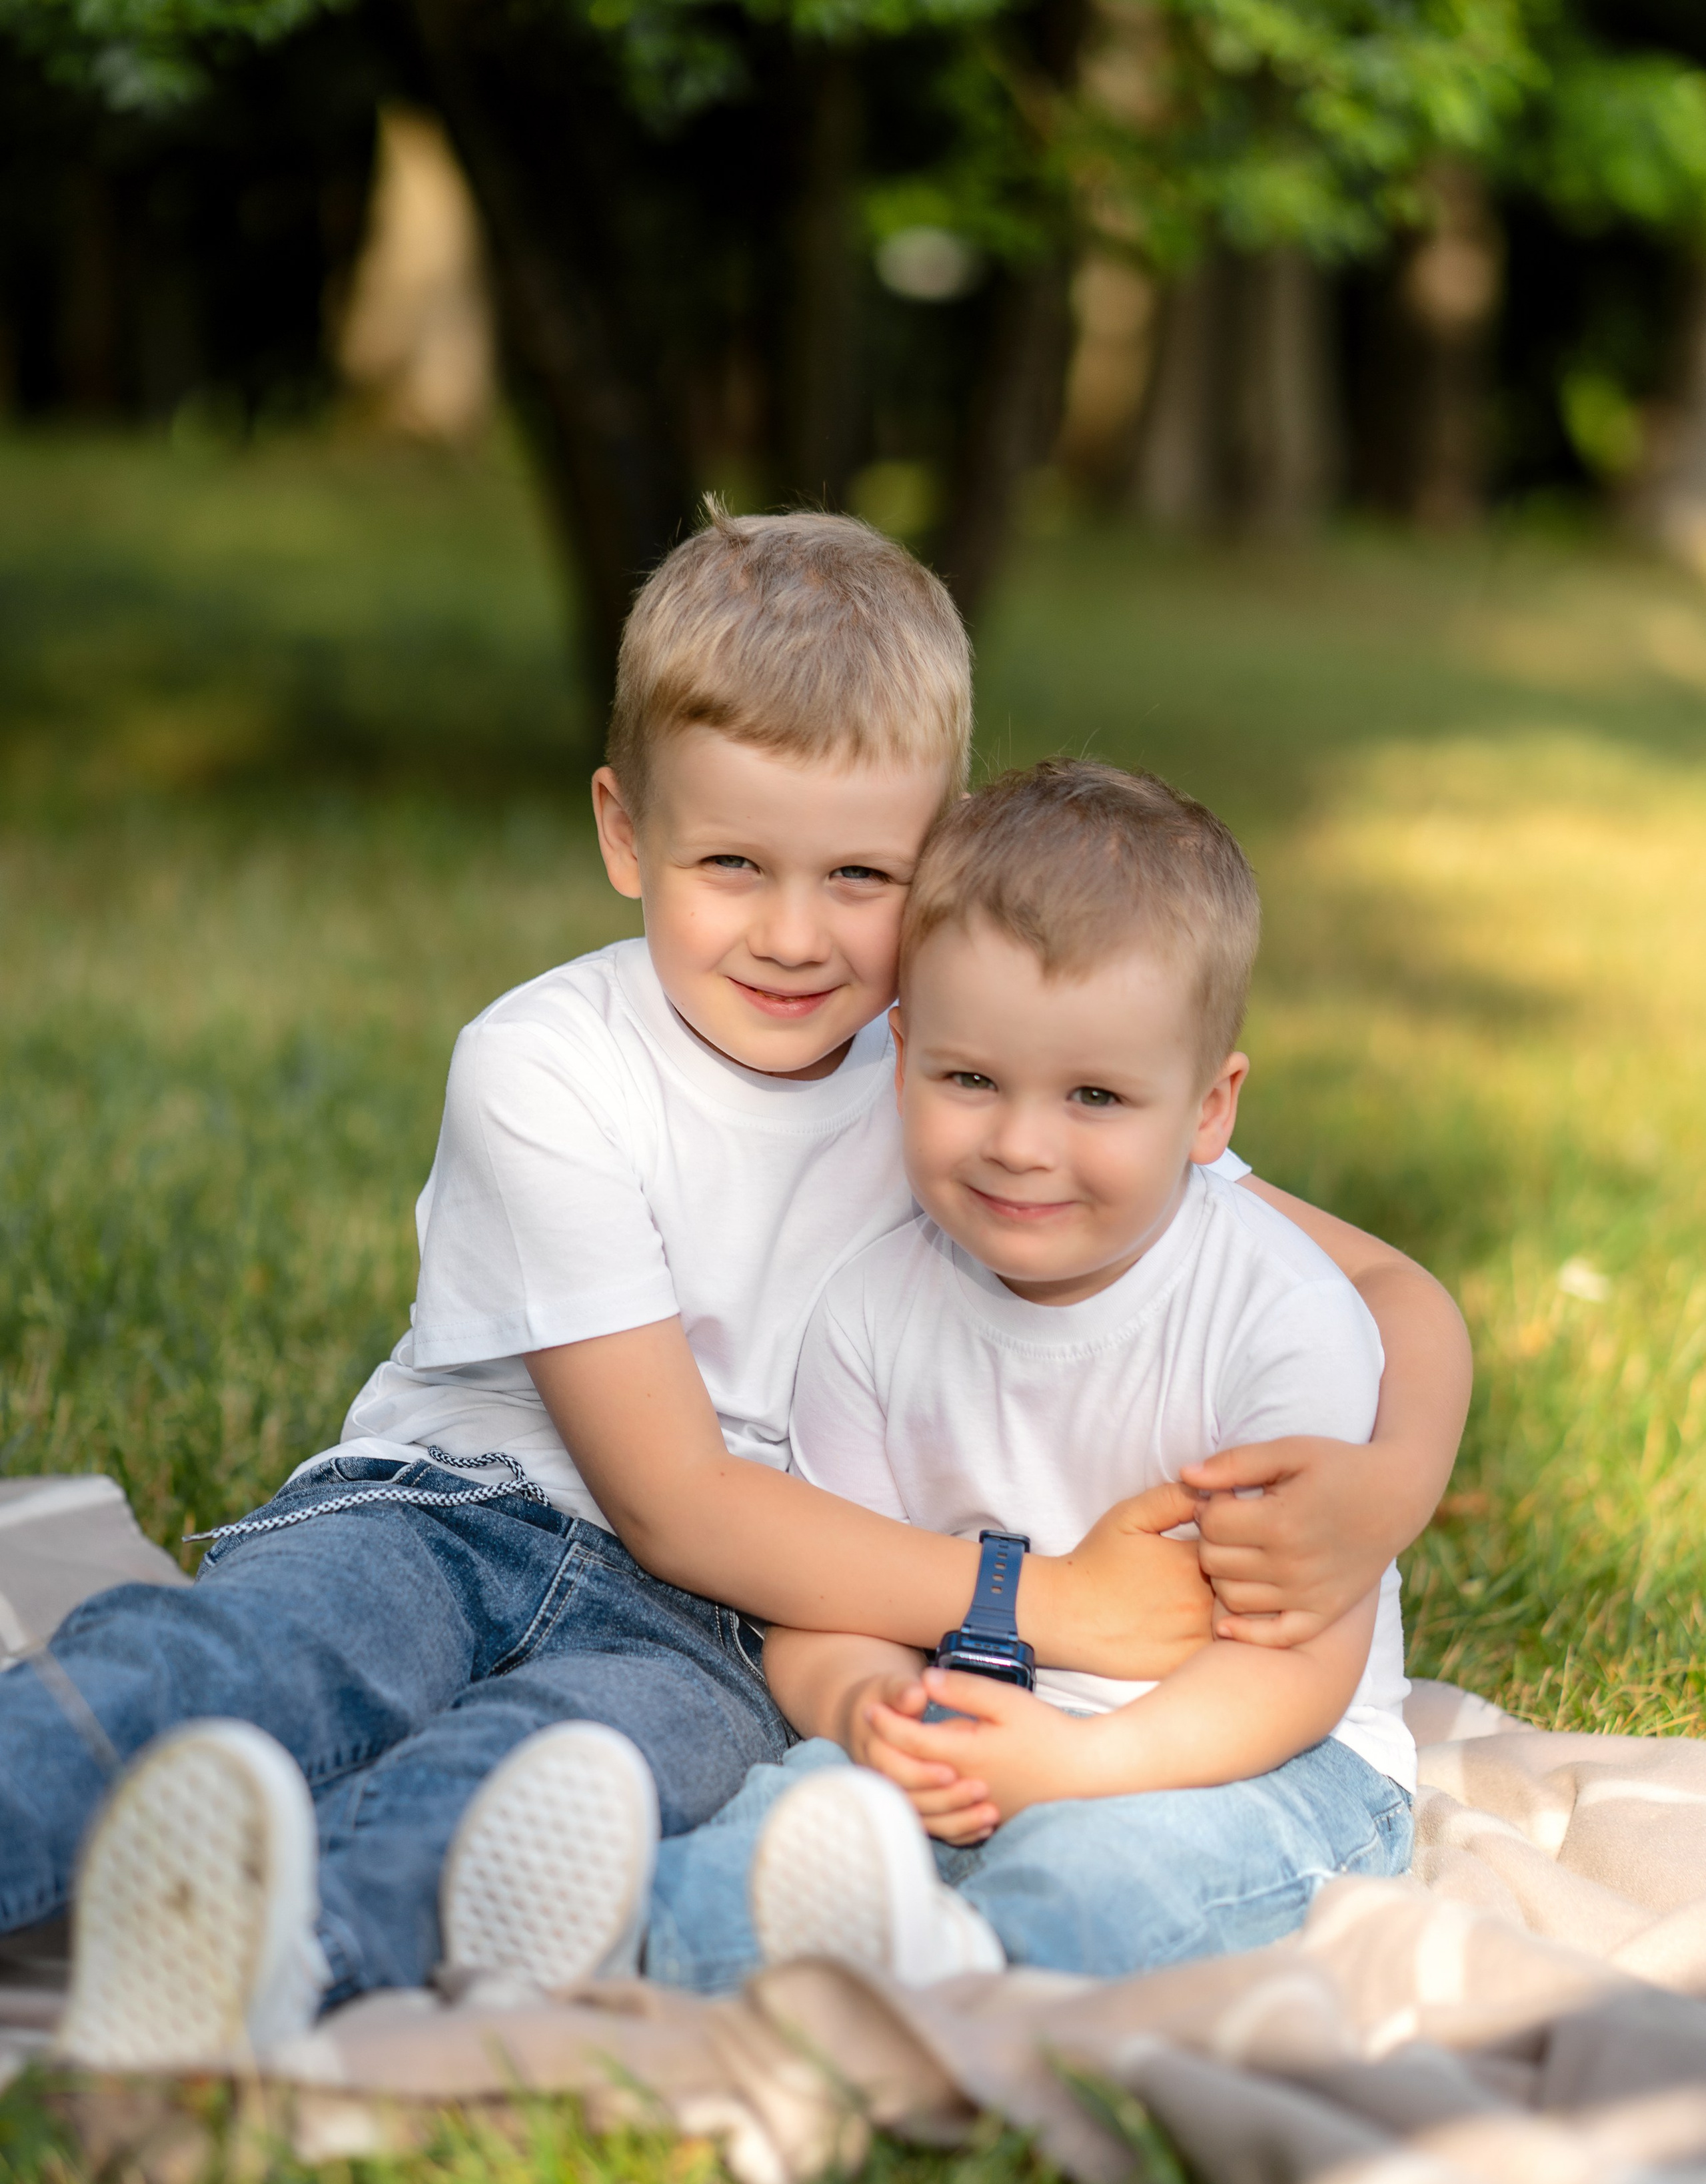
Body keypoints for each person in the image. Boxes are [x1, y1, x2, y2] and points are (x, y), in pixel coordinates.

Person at [13, 516, 1462, 2069]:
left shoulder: (973, 1089)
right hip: (446, 1511)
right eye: (728, 864)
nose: (791, 933)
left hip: (739, 1627)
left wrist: (1378, 1493)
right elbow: (673, 1502)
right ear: (624, 831)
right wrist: (1034, 1604)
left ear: (941, 861)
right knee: (252, 1658)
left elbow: (1384, 1284)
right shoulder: (549, 1066)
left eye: (860, 875)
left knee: (549, 1776)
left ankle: (262, 1965)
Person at [523, 758, 1420, 1993]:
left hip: (1256, 1753)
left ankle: (964, 1972)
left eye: (1097, 1096)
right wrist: (874, 1714)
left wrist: (1077, 1768)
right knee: (787, 1821)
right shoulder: (873, 1309)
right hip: (974, 1725)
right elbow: (830, 1606)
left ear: (1210, 1111)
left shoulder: (1283, 1317)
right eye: (971, 1080)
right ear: (901, 1056)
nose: (1020, 1144)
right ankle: (621, 1942)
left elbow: (1298, 1665)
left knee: (1116, 1878)